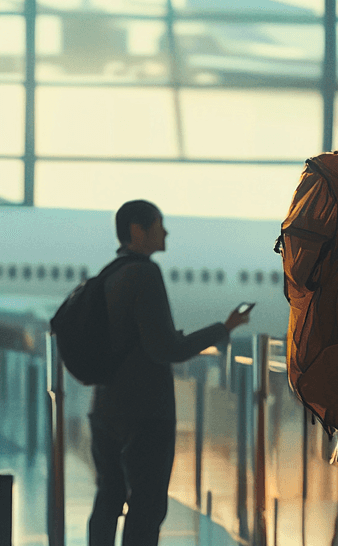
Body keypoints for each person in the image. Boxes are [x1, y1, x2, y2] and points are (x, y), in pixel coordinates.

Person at [88, 200, 251, 546]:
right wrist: (223, 329)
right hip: (144, 413)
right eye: (159, 224)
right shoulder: (145, 273)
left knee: (108, 499)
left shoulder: (111, 273)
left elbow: (137, 340)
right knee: (146, 508)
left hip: (105, 408)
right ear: (138, 230)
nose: (166, 232)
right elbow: (166, 350)